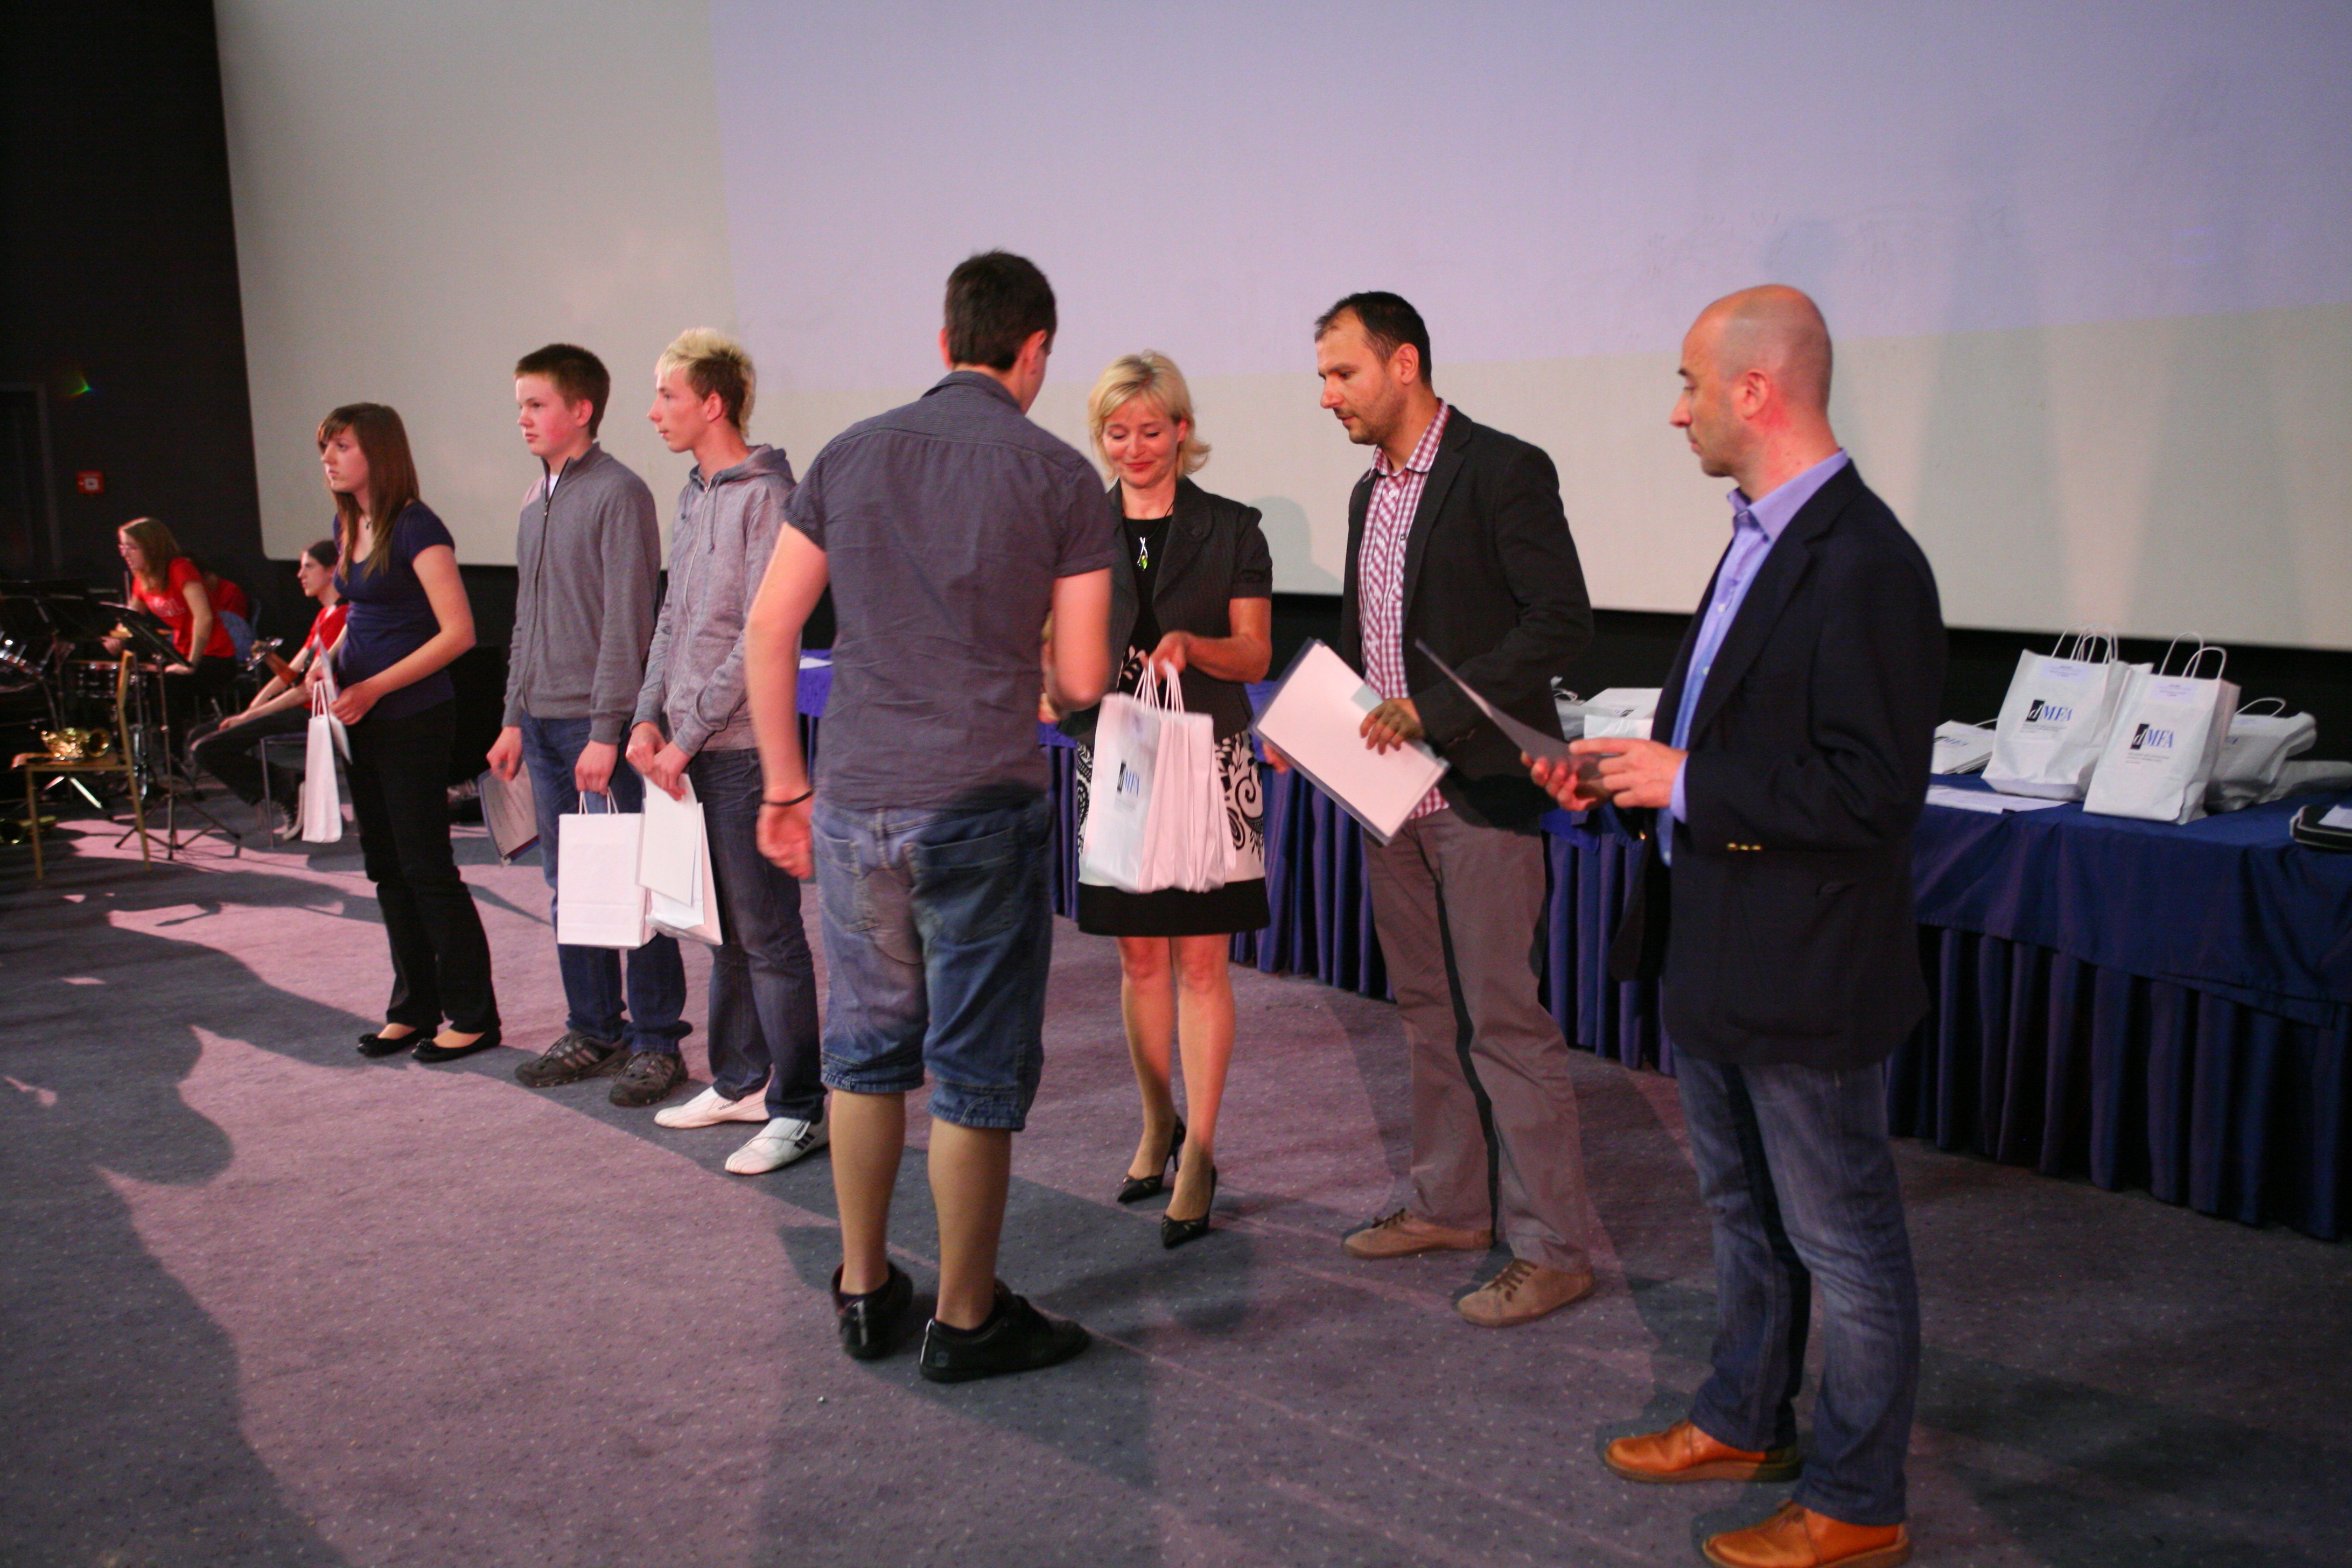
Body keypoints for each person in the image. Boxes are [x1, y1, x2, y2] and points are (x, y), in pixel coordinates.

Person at [1530, 286, 1940, 1568]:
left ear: (1755, 391)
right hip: (1715, 941)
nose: (1677, 411)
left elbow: (1873, 794)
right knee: (1743, 1211)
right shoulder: (1762, 539)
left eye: (1690, 383)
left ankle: (1859, 1500)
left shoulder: (1866, 561)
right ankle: (1743, 1419)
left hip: (1807, 963)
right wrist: (1627, 777)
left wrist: (1687, 780)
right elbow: (1735, 740)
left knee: (1845, 1243)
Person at [744, 250, 1114, 1380]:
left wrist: (784, 787)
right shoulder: (1062, 477)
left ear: (945, 340)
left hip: (857, 797)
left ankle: (864, 1290)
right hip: (982, 801)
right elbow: (1084, 679)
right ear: (1034, 350)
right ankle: (964, 1317)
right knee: (974, 1068)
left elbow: (769, 630)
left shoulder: (850, 453)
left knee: (864, 1052)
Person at [1299, 291, 1600, 1328]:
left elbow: (1559, 622)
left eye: (1342, 373)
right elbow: (1364, 639)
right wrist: (1321, 728)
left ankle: (1552, 1249)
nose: (1327, 395)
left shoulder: (1502, 469)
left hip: (1479, 791)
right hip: (1390, 802)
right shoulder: (1365, 494)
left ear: (1404, 364)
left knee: (1504, 1022)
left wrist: (1435, 709)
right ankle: (1450, 1205)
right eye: (1323, 376)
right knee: (1429, 1014)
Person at [1057, 352, 1271, 1248]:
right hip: (1114, 764)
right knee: (1139, 960)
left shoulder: (1233, 528)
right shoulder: (1076, 528)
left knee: (1201, 966)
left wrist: (1193, 645)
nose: (1135, 448)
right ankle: (1157, 1124)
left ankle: (1202, 1153)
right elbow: (1052, 639)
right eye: (1118, 433)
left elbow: (1254, 653)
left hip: (1208, 763)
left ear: (1182, 431)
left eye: (1151, 430)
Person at [628, 328, 828, 1174]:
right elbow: (674, 617)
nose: (654, 411)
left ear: (713, 403)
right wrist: (647, 717)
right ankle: (742, 1080)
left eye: (667, 394)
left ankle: (801, 1107)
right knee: (725, 936)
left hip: (741, 749)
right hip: (686, 748)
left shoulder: (769, 496)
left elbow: (760, 637)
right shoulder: (695, 494)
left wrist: (686, 736)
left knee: (769, 934)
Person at [486, 344, 690, 1109]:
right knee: (572, 885)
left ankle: (657, 1040)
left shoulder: (619, 492)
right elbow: (525, 619)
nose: (523, 418)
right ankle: (594, 1027)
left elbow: (627, 621)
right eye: (521, 405)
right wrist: (512, 716)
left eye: (537, 404)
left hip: (594, 724)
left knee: (634, 884)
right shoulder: (533, 499)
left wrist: (608, 728)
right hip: (541, 722)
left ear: (581, 410)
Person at [309, 403, 501, 1064]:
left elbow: (459, 633)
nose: (328, 459)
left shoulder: (418, 526)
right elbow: (361, 614)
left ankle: (474, 1016)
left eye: (342, 446)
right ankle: (413, 1008)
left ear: (379, 452)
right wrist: (330, 664)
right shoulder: (348, 522)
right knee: (386, 865)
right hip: (361, 716)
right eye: (325, 447)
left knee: (426, 866)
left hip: (414, 716)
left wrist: (375, 686)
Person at [188, 538, 347, 829]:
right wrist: (250, 710)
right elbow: (291, 672)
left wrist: (251, 716)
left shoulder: (342, 616)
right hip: (304, 706)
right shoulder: (324, 615)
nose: (300, 575)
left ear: (331, 571)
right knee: (200, 736)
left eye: (309, 567)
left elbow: (306, 689)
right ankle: (291, 788)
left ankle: (289, 787)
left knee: (207, 749)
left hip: (319, 711)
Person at [109, 517, 237, 746]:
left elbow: (204, 617)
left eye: (132, 547)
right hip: (180, 652)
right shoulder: (142, 579)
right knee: (146, 683)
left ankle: (174, 755)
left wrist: (191, 663)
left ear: (152, 548)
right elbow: (130, 617)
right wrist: (115, 637)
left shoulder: (180, 569)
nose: (125, 554)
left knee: (166, 688)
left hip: (213, 656)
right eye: (122, 547)